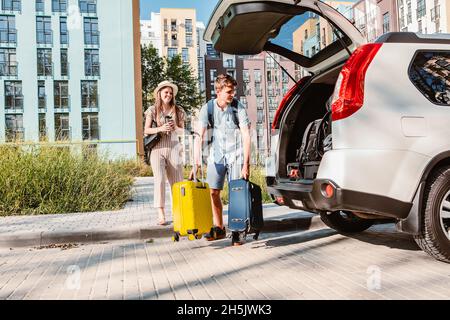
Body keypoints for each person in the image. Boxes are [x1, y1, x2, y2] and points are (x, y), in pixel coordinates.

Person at [189, 74, 251, 241]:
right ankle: (219, 227)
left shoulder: (239, 107)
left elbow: (246, 135)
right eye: (229, 91)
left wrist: (246, 163)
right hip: (216, 156)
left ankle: (237, 230)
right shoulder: (207, 108)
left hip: (236, 155)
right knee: (213, 192)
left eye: (233, 91)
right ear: (218, 90)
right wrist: (196, 163)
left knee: (236, 192)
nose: (232, 94)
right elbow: (198, 137)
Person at [144, 81, 185, 226]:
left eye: (170, 92)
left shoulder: (178, 110)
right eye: (165, 92)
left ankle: (178, 212)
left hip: (174, 148)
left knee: (177, 182)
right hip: (157, 149)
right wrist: (161, 128)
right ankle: (161, 214)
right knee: (160, 180)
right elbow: (146, 130)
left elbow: (183, 131)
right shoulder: (152, 110)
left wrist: (175, 128)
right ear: (159, 94)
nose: (168, 94)